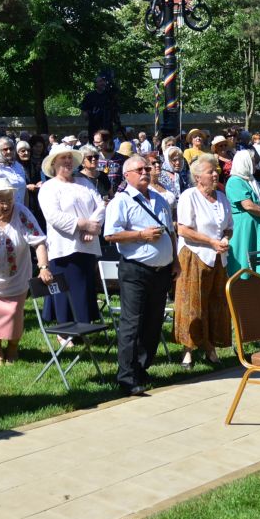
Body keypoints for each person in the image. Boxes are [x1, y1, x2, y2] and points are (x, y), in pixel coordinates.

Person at [104, 154, 177, 397]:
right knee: (132, 323)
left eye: (147, 168)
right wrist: (140, 236)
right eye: (139, 169)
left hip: (162, 270)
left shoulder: (159, 199)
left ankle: (142, 368)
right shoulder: (121, 201)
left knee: (154, 322)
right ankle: (126, 376)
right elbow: (110, 235)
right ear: (127, 175)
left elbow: (170, 233)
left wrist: (175, 260)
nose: (145, 172)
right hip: (136, 269)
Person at [0, 174, 49, 367]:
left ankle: (13, 348)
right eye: (1, 201)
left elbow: (39, 242)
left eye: (9, 200)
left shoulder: (22, 214)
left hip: (17, 277)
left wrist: (44, 267)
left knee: (15, 314)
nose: (6, 206)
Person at [174, 156, 232, 367]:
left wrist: (225, 239)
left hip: (218, 258)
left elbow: (229, 226)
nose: (215, 174)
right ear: (198, 177)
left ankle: (210, 347)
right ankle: (187, 350)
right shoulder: (189, 196)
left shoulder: (222, 197)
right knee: (193, 303)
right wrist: (211, 241)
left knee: (215, 302)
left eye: (216, 171)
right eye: (210, 172)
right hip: (194, 255)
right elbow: (183, 229)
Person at [37, 143, 104, 326]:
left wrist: (93, 228)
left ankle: (85, 325)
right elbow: (53, 215)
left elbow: (100, 206)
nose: (67, 161)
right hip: (64, 247)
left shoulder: (85, 183)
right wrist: (82, 225)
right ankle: (64, 329)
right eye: (62, 158)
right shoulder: (49, 187)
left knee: (84, 287)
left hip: (88, 245)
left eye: (69, 158)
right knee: (65, 289)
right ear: (54, 163)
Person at [226, 149, 260, 276]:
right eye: (252, 161)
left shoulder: (251, 181)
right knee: (245, 261)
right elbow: (248, 205)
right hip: (246, 229)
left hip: (258, 227)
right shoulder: (235, 181)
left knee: (259, 262)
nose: (254, 164)